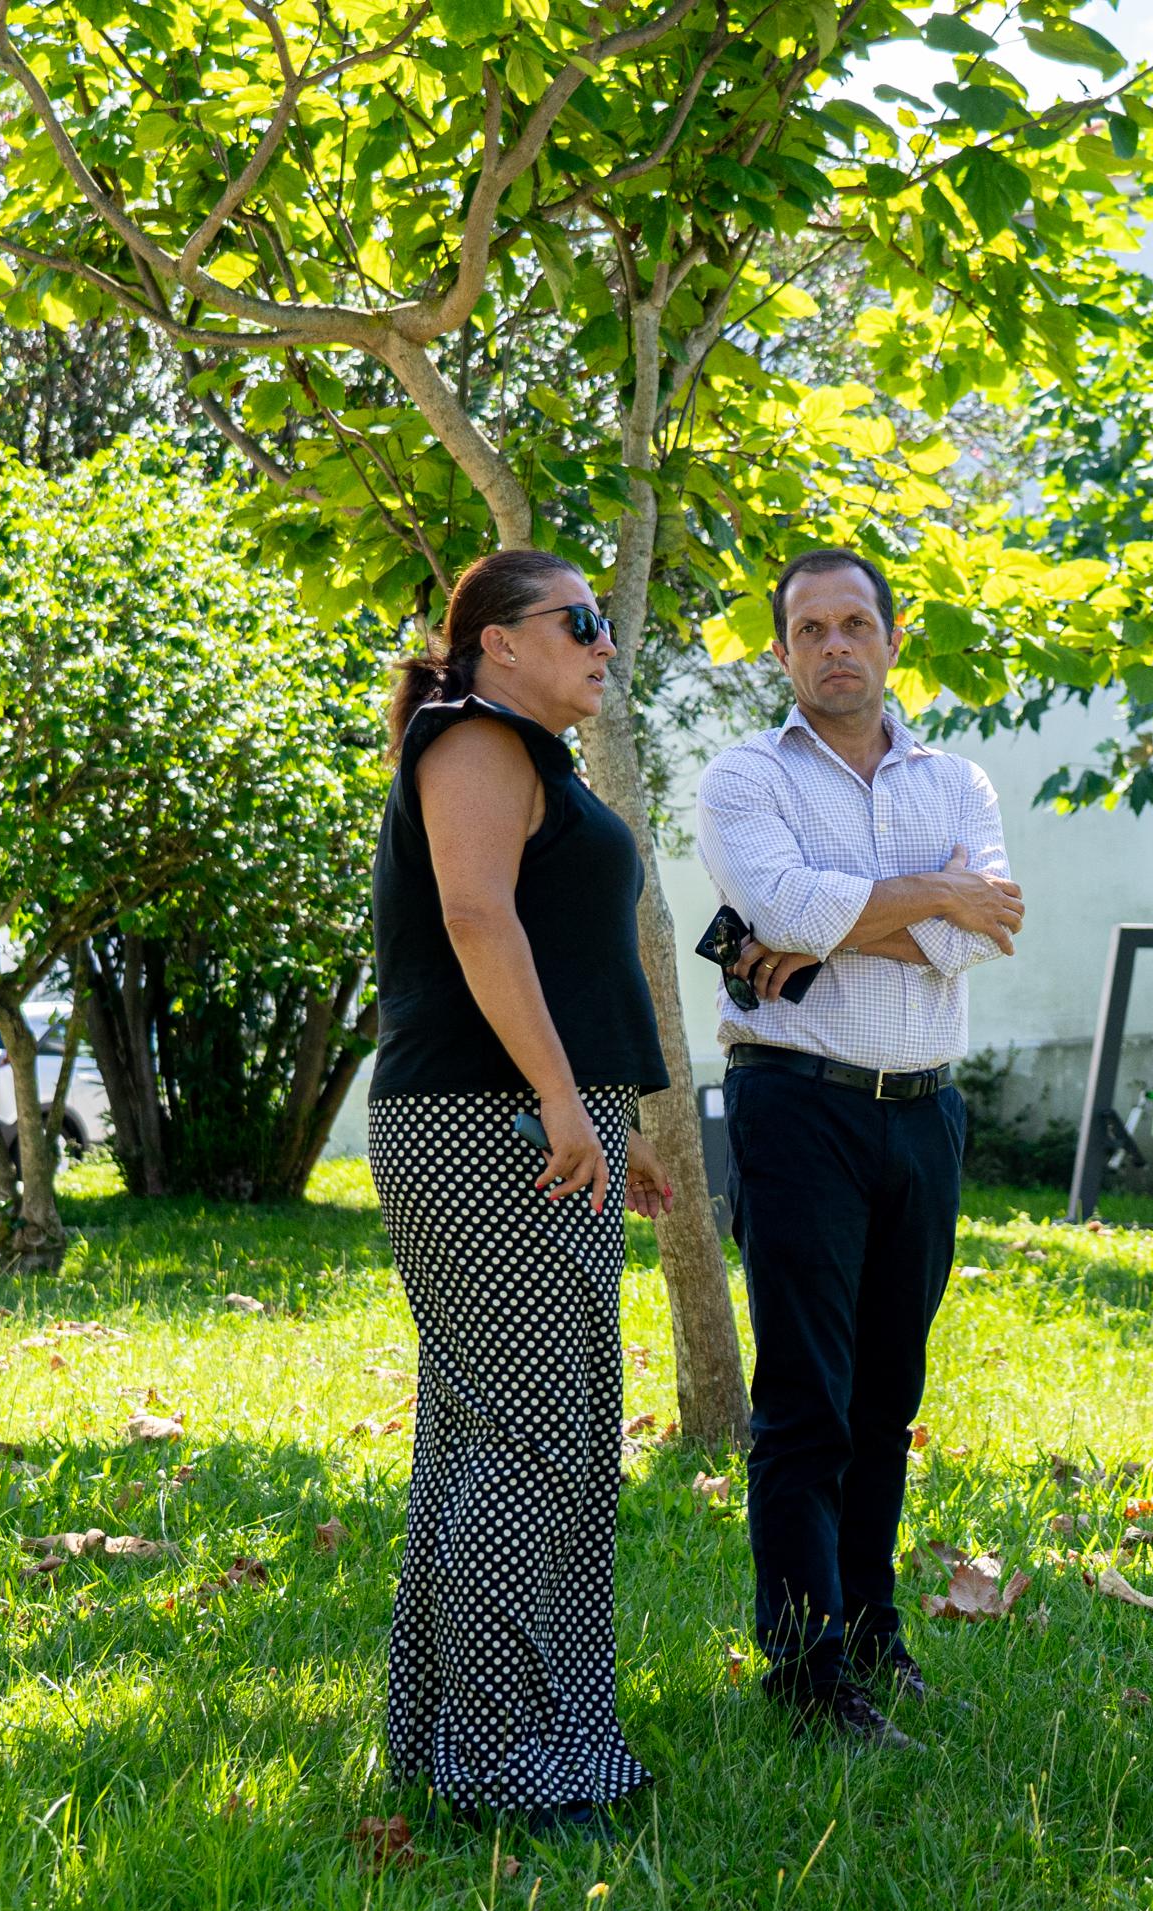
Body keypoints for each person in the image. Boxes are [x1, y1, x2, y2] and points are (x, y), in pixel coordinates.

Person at [367, 548, 680, 1834]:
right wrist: (559, 1096)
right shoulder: (475, 739)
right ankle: (507, 1763)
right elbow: (478, 920)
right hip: (484, 1123)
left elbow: (569, 951)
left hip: (527, 1118)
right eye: (580, 621)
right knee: (527, 1437)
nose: (605, 643)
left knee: (505, 1429)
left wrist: (612, 1114)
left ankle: (462, 1742)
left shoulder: (529, 754)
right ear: (498, 641)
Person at [694, 546, 1024, 1748]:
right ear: (783, 650)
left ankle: (876, 1635)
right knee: (806, 1401)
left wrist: (834, 922)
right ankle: (806, 1670)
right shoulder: (746, 775)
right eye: (810, 629)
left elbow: (988, 930)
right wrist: (930, 894)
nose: (835, 645)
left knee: (888, 1395)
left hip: (925, 1112)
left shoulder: (959, 780)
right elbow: (781, 910)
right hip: (797, 1104)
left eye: (855, 624)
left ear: (892, 639)